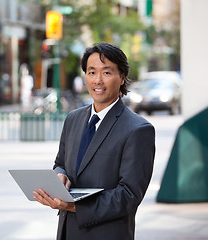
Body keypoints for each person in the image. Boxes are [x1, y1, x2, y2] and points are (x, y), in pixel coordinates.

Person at [33, 42, 155, 240]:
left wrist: (74, 206)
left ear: (122, 77)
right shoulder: (73, 119)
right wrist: (60, 177)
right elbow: (61, 163)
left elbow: (129, 195)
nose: (98, 80)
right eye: (91, 72)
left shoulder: (138, 130)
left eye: (106, 73)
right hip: (67, 232)